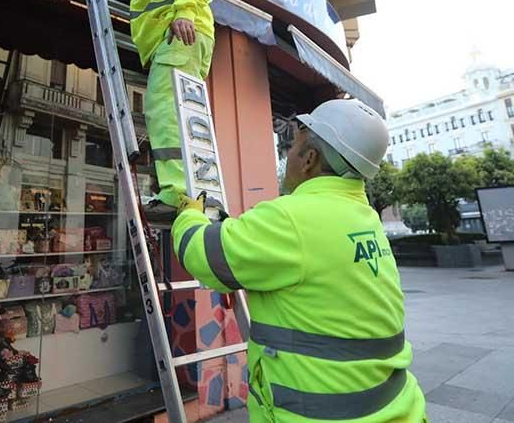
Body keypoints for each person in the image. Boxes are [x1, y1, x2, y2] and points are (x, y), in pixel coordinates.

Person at [171, 99, 427, 422]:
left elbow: (203, 253)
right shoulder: (365, 218)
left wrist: (188, 215)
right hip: (399, 409)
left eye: (293, 145)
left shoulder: (292, 219)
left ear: (309, 159)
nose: (288, 154)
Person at [105, 0, 214, 224]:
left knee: (162, 109)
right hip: (174, 40)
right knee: (179, 113)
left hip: (179, 33)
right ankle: (193, 190)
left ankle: (176, 191)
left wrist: (183, 13)